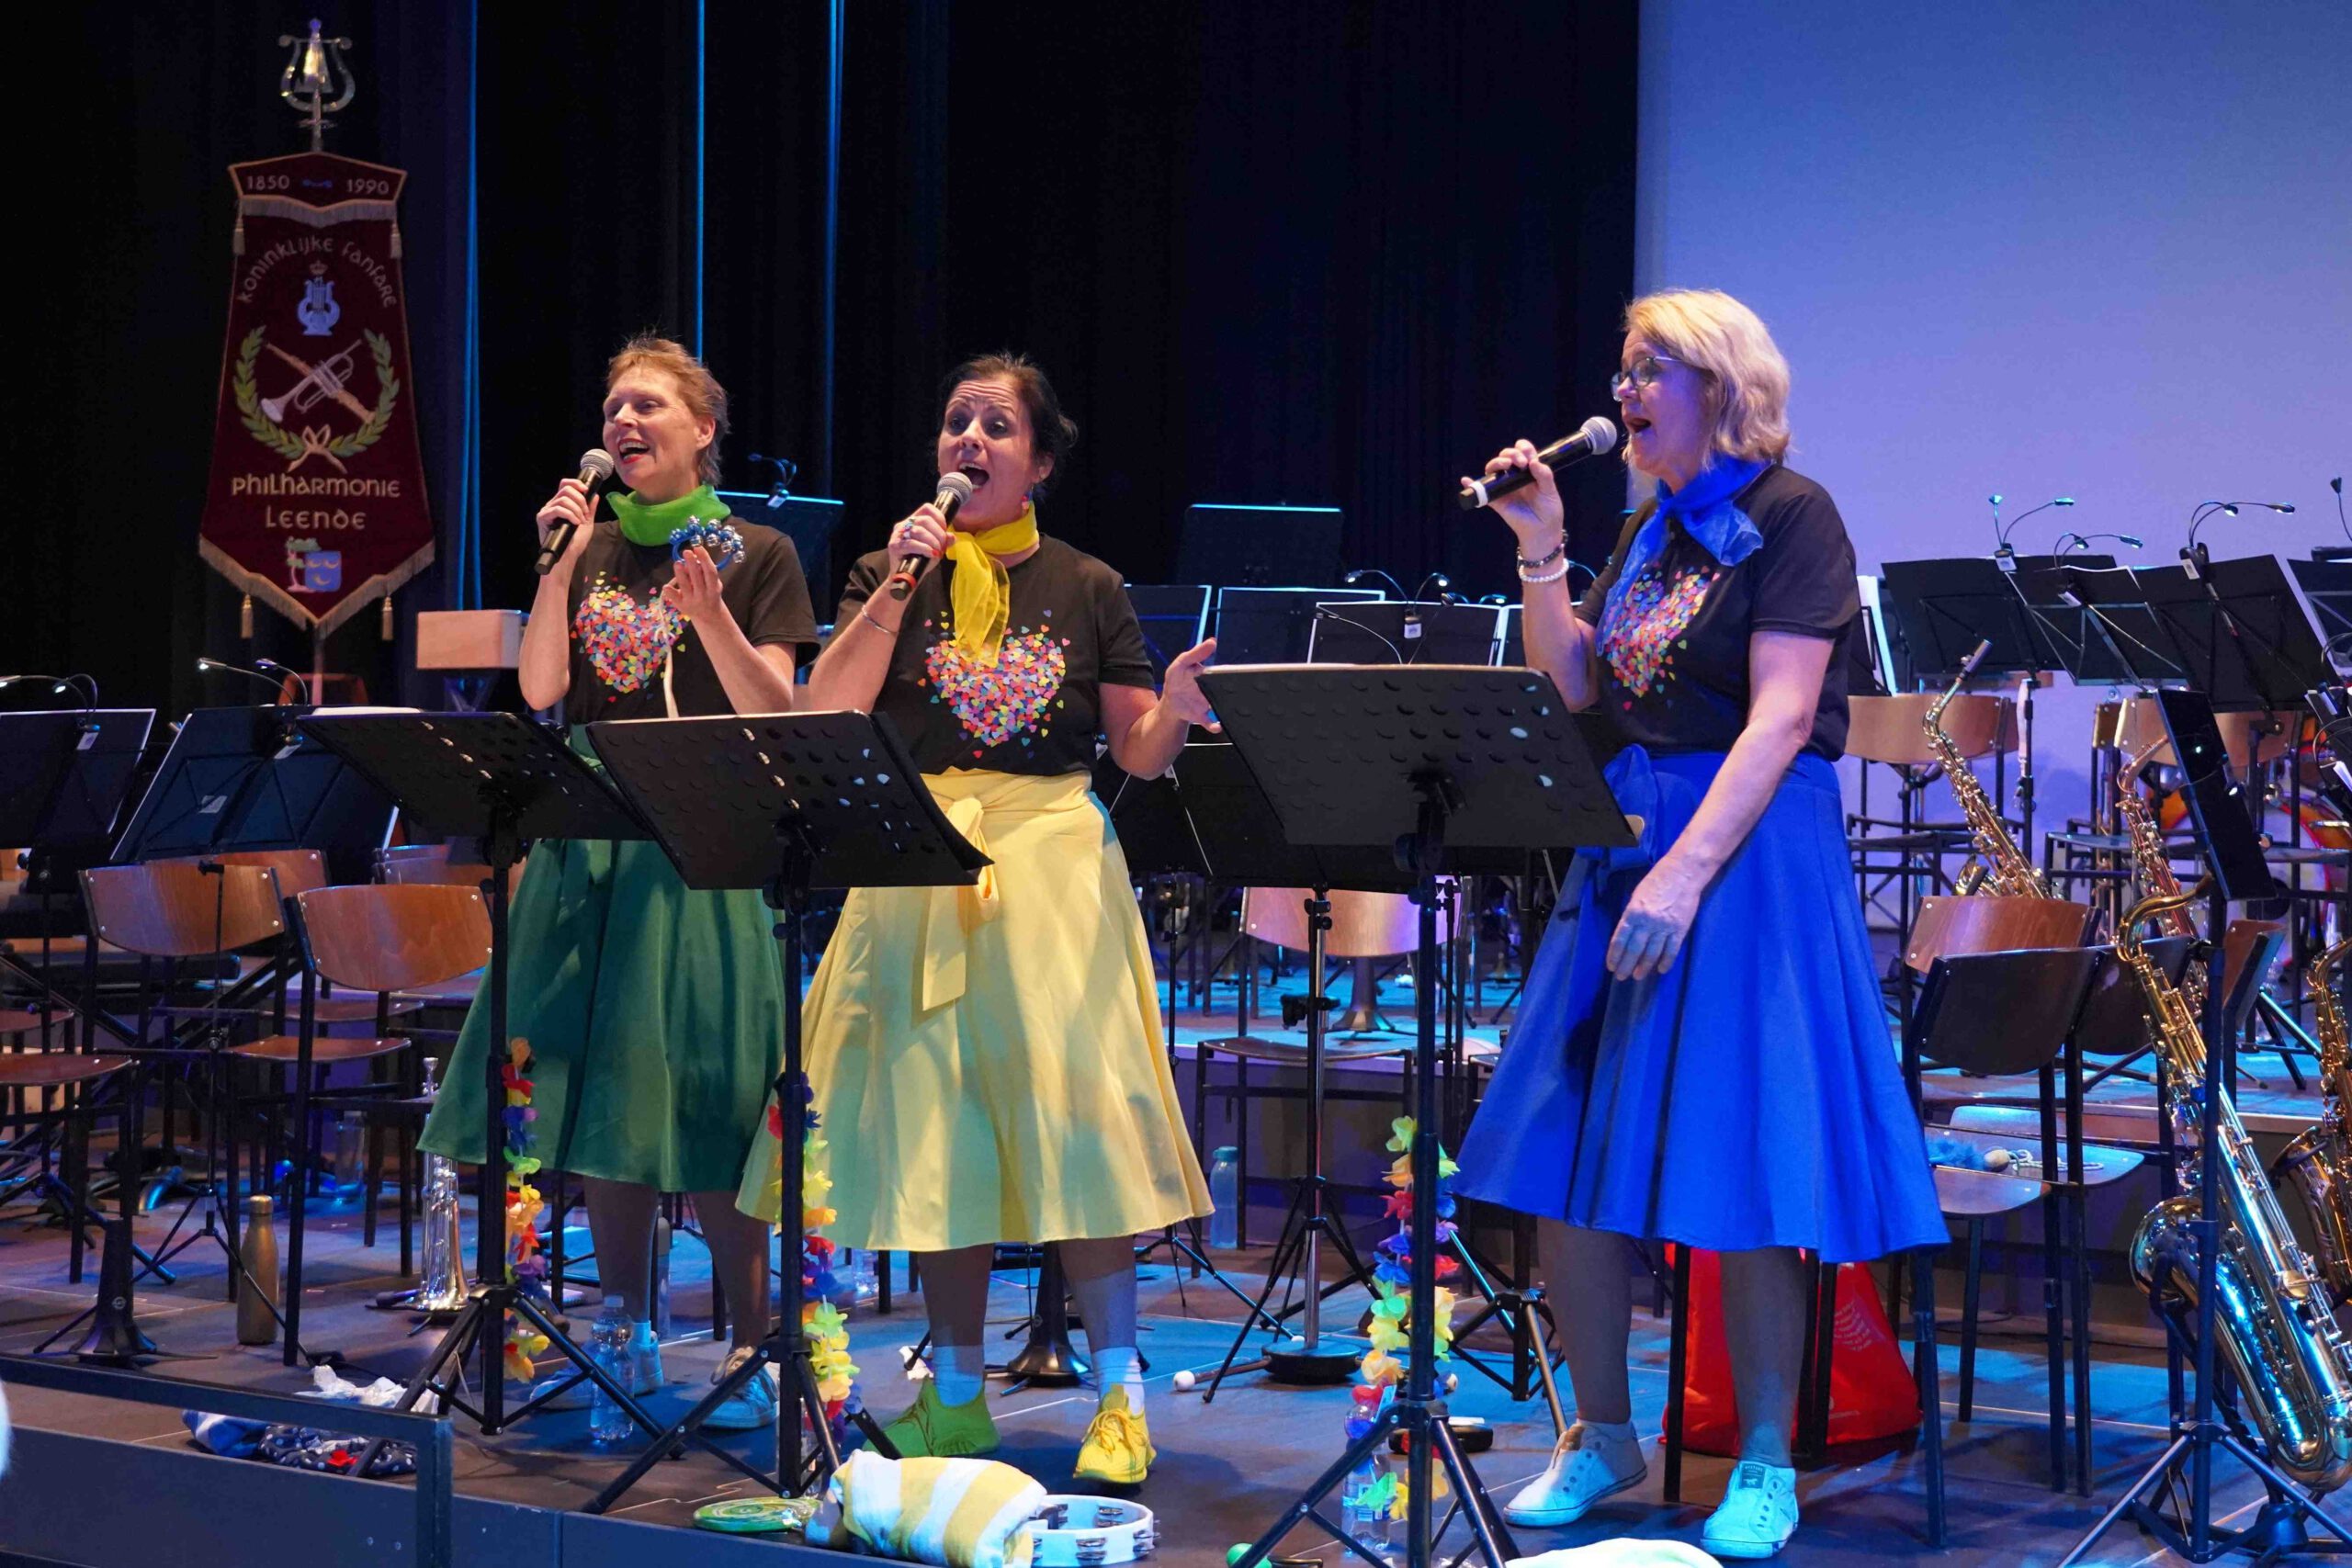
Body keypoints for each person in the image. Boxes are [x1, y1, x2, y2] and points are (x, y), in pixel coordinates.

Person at [1453, 289, 1942, 1560]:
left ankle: (1766, 1456)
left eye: (1648, 368)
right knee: (1562, 1146)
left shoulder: (1794, 514)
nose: (1622, 390)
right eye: (1622, 368)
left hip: (1745, 852)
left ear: (1718, 386)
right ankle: (1603, 1431)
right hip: (1627, 835)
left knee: (1748, 1158)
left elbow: (1780, 717)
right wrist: (1542, 549)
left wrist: (1682, 876)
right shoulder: (1647, 529)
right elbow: (1574, 684)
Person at [738, 353, 1211, 1485]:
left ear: (1039, 462)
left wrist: (1180, 710)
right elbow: (825, 709)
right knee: (932, 1127)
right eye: (957, 422)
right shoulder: (884, 570)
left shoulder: (1086, 585)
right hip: (917, 857)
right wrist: (897, 586)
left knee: (1078, 1124)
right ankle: (953, 1398)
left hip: (1051, 866)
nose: (969, 441)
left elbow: (1136, 750)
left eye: (996, 426)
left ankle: (1120, 1398)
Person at [420, 334, 817, 1430]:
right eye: (613, 409)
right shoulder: (587, 550)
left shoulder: (760, 551)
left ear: (703, 429)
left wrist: (711, 616)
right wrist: (555, 564)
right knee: (604, 1095)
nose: (624, 423)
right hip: (589, 833)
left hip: (703, 831)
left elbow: (775, 710)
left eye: (648, 406)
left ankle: (754, 1343)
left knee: (714, 1091)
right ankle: (626, 1329)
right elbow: (544, 689)